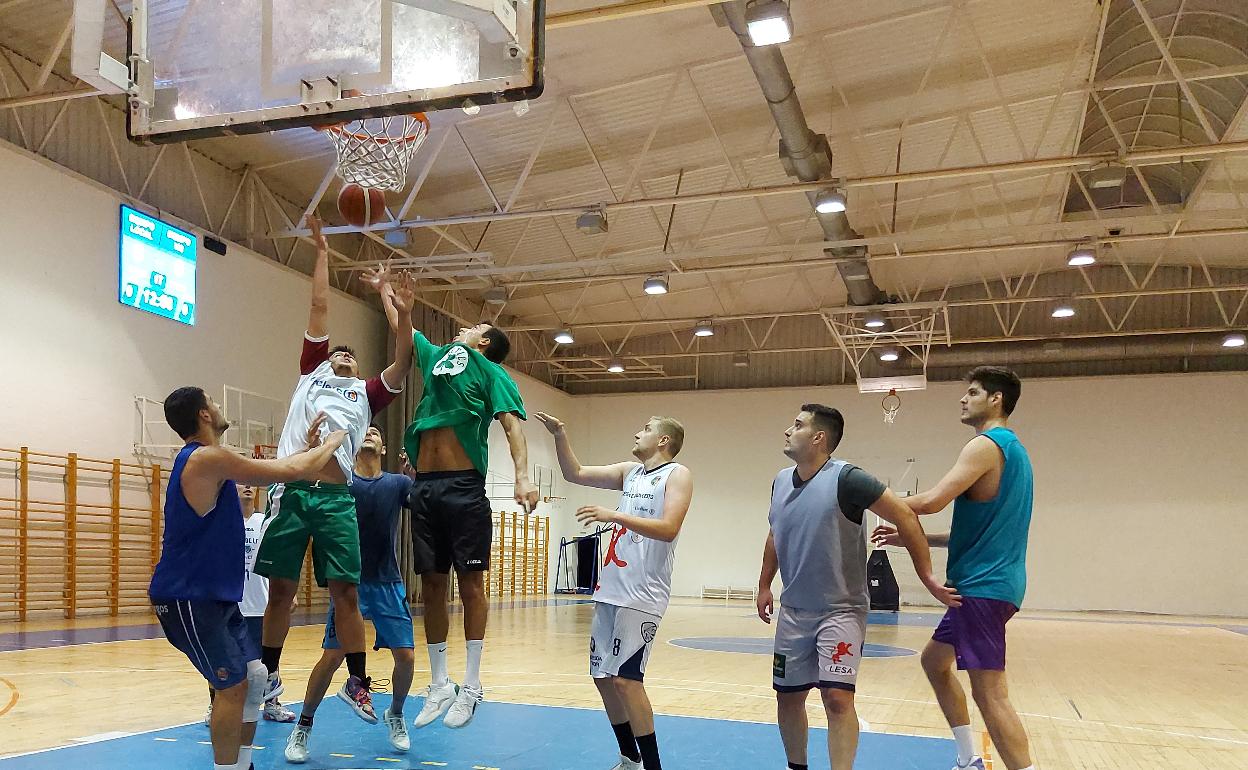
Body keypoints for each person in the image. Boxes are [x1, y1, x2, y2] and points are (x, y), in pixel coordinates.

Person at [253, 217, 416, 724]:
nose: (342, 353)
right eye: (338, 351)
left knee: (346, 590)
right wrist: (322, 252)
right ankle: (269, 678)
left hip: (335, 498)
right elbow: (319, 306)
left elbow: (405, 359)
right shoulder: (312, 372)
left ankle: (359, 682)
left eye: (349, 353)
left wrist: (400, 310)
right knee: (279, 590)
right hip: (292, 488)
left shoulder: (366, 394)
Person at [148, 386, 344, 770]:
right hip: (188, 597)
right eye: (213, 402)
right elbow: (289, 471)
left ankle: (242, 765)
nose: (219, 407)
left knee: (256, 677)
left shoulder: (211, 462)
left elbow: (280, 471)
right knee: (232, 685)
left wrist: (305, 448)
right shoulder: (205, 458)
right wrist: (334, 442)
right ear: (204, 415)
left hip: (215, 598)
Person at [758, 403, 959, 770]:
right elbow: (775, 533)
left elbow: (904, 514)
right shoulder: (780, 480)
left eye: (797, 425)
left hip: (841, 610)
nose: (788, 430)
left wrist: (927, 576)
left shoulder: (849, 479)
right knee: (788, 699)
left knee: (836, 698)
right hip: (794, 611)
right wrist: (764, 585)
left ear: (819, 437)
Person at [872, 367, 1035, 770]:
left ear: (996, 399)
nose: (963, 399)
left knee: (991, 694)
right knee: (933, 662)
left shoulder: (984, 445)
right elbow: (974, 529)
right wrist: (917, 538)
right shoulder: (1014, 452)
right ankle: (968, 758)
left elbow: (931, 501)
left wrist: (860, 498)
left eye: (973, 392)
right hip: (986, 584)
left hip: (981, 588)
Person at [402, 315, 540, 730]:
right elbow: (406, 330)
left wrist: (522, 475)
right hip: (425, 487)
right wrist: (395, 299)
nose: (464, 328)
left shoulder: (490, 370)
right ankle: (440, 683)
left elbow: (512, 425)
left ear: (485, 341)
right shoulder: (438, 358)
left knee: (471, 585)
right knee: (430, 584)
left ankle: (473, 684)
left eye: (476, 327)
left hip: (464, 487)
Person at [534, 411, 693, 770]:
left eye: (647, 429)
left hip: (642, 593)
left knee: (627, 680)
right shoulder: (629, 472)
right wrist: (560, 434)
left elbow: (668, 527)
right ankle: (629, 758)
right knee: (603, 678)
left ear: (664, 440)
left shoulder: (677, 474)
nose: (638, 433)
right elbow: (574, 472)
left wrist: (615, 515)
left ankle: (653, 767)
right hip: (610, 589)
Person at [284, 425, 416, 763]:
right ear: (355, 445)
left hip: (388, 581)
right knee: (331, 657)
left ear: (384, 448)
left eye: (376, 431)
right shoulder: (342, 483)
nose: (371, 432)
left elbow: (425, 507)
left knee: (407, 656)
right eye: (366, 431)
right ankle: (302, 727)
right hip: (348, 587)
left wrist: (419, 476)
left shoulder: (398, 484)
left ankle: (396, 714)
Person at [205, 485, 295, 725]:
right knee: (221, 658)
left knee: (269, 657)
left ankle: (272, 704)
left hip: (261, 604)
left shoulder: (264, 521)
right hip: (230, 604)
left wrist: (287, 593)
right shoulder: (223, 522)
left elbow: (275, 559)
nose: (247, 487)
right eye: (240, 482)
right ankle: (215, 705)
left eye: (250, 482)